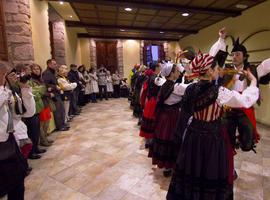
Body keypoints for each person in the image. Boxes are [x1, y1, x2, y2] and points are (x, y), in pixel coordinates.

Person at [166, 52, 259, 200]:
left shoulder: (189, 89)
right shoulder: (219, 92)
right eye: (215, 69)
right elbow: (245, 100)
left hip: (193, 136)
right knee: (210, 170)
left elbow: (185, 111)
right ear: (209, 71)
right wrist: (253, 81)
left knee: (193, 168)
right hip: (212, 139)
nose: (218, 71)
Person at [0, 61, 35, 200]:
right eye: (10, 74)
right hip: (2, 144)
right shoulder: (3, 91)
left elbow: (28, 113)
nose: (15, 77)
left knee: (18, 183)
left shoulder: (11, 91)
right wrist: (2, 86)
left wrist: (25, 89)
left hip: (12, 140)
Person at [149, 61, 188, 177]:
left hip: (164, 117)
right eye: (176, 71)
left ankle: (167, 165)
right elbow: (190, 88)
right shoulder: (175, 87)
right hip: (172, 117)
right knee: (172, 139)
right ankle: (170, 165)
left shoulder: (166, 84)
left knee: (165, 138)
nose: (178, 72)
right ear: (171, 73)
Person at [15, 64, 46, 159]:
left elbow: (41, 89)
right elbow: (32, 91)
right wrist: (36, 90)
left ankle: (36, 148)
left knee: (36, 131)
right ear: (22, 71)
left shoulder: (29, 80)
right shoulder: (19, 81)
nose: (30, 71)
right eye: (28, 70)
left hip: (34, 108)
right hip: (28, 110)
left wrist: (36, 90)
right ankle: (31, 152)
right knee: (31, 132)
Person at [139, 62, 165, 148]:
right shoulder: (155, 78)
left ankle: (149, 141)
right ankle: (150, 142)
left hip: (150, 101)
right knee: (152, 120)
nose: (161, 68)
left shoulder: (151, 77)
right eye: (159, 66)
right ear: (156, 68)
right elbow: (162, 83)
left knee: (149, 120)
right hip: (153, 101)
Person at [30, 64, 53, 147]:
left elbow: (44, 89)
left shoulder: (41, 79)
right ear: (31, 71)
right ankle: (43, 140)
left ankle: (45, 138)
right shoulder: (31, 80)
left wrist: (47, 90)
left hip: (45, 102)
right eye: (34, 69)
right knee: (41, 123)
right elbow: (39, 92)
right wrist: (48, 93)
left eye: (38, 69)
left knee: (47, 121)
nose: (37, 70)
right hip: (40, 103)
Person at [43, 59, 69, 131]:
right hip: (54, 94)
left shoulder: (52, 72)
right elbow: (45, 84)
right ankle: (60, 126)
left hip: (57, 93)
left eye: (55, 64)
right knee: (58, 111)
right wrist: (55, 87)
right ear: (49, 64)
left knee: (61, 110)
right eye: (54, 64)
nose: (56, 65)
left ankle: (63, 124)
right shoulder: (47, 73)